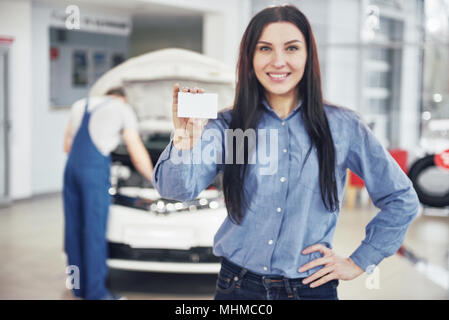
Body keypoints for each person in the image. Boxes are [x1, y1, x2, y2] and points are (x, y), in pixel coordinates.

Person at [152, 5, 419, 300]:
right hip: (238, 289)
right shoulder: (229, 127)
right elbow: (177, 190)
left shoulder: (343, 126)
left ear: (308, 55)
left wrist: (360, 260)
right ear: (250, 57)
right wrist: (183, 140)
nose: (278, 61)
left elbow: (401, 199)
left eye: (291, 48)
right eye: (265, 48)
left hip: (311, 289)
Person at [63, 87, 154, 300]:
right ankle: (97, 294)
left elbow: (66, 145)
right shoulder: (122, 108)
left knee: (73, 230)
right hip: (93, 172)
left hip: (71, 170)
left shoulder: (79, 105)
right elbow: (136, 149)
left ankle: (77, 287)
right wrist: (154, 179)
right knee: (94, 232)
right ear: (123, 97)